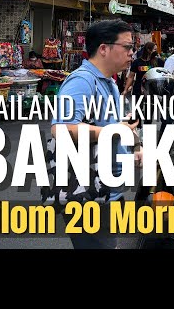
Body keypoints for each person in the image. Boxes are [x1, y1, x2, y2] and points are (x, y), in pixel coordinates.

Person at [51, 19, 140, 249]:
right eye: (128, 47)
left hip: (108, 189)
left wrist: (134, 148)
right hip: (88, 193)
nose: (132, 53)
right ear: (104, 48)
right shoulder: (82, 81)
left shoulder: (109, 82)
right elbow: (61, 128)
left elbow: (111, 124)